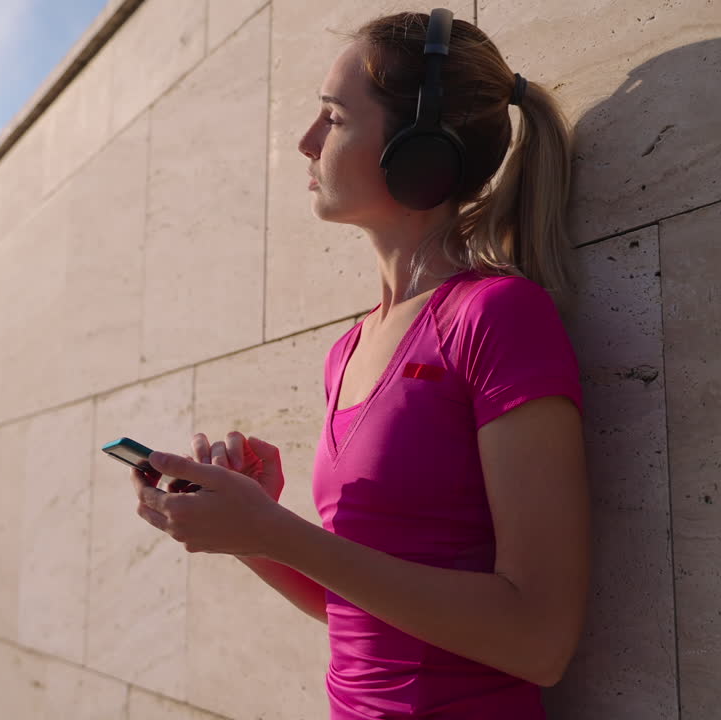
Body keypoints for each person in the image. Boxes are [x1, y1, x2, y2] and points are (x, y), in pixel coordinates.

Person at [131, 9, 589, 719]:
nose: (305, 142)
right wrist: (248, 531)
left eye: (334, 119)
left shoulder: (497, 316)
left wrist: (274, 531)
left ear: (419, 153)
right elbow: (362, 608)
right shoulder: (348, 349)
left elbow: (538, 639)